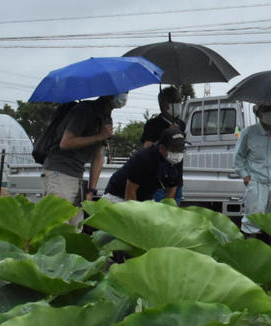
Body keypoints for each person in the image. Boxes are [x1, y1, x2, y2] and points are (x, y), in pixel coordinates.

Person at [42, 93, 125, 225]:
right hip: (60, 171)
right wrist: (99, 136)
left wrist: (91, 191)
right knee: (58, 224)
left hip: (77, 174)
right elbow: (65, 142)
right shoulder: (85, 110)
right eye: (123, 91)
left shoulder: (106, 118)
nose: (124, 96)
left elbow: (98, 157)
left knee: (76, 226)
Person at [234, 104, 271, 236]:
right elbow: (238, 157)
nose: (270, 114)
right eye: (266, 111)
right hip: (256, 183)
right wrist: (245, 176)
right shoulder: (248, 133)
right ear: (259, 114)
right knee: (252, 221)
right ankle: (251, 248)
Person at [104, 126, 185, 203]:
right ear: (162, 148)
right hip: (118, 195)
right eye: (174, 150)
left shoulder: (177, 159)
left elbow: (172, 188)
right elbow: (130, 192)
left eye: (181, 149)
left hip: (145, 198)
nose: (178, 153)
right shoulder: (144, 158)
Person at [142, 86, 186, 204]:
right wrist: (166, 135)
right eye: (174, 102)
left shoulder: (181, 124)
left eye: (179, 102)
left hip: (176, 179)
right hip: (158, 181)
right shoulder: (153, 125)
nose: (178, 105)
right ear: (164, 104)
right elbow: (146, 149)